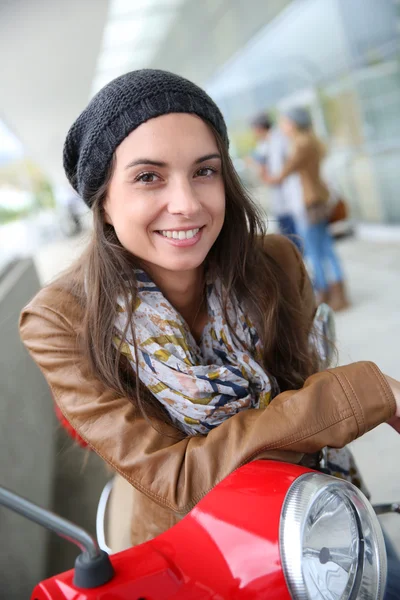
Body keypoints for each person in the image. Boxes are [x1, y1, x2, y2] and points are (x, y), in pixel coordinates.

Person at [19, 71, 400, 590]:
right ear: (103, 201)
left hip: (326, 519)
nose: (188, 203)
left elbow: (305, 410)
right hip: (206, 555)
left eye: (204, 171)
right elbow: (175, 478)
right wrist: (351, 398)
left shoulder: (276, 262)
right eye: (148, 176)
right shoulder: (60, 320)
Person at [266, 107, 349, 310]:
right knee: (325, 247)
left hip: (310, 202)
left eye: (285, 122)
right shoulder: (310, 141)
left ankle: (328, 293)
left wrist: (266, 174)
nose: (283, 127)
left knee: (316, 249)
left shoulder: (302, 145)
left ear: (294, 124)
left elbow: (282, 175)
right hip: (317, 200)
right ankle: (336, 294)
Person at [249, 114, 303, 251]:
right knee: (288, 235)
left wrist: (267, 175)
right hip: (280, 200)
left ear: (259, 128)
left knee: (295, 238)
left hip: (289, 197)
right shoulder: (263, 145)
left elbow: (280, 173)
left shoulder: (279, 140)